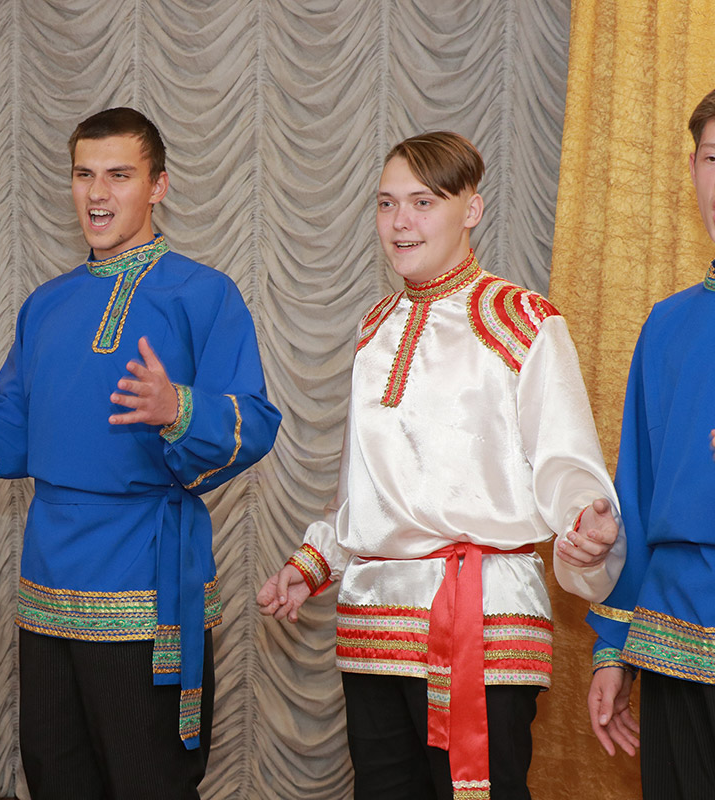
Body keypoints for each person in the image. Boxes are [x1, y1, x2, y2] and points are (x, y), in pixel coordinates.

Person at [0, 107, 281, 799]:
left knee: (147, 782)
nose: (97, 193)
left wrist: (180, 408)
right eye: (84, 175)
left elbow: (253, 422)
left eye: (119, 175)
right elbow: (16, 426)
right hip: (47, 580)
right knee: (55, 774)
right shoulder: (46, 304)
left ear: (159, 186)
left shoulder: (205, 295)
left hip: (147, 581)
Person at [258, 131, 623, 800]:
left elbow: (566, 461)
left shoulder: (523, 320)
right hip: (373, 621)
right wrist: (310, 564)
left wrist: (585, 522)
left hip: (483, 620)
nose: (400, 221)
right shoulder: (374, 329)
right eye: (387, 203)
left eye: (423, 202)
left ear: (471, 210)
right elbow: (360, 489)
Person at [587, 87, 715, 800]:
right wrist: (613, 647)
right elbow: (633, 495)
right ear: (692, 170)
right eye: (714, 159)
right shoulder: (666, 325)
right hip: (672, 637)